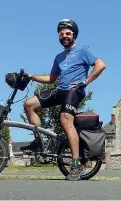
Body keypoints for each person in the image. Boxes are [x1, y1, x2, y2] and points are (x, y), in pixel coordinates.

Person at [20, 19, 106, 181]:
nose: (64, 36)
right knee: (29, 104)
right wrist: (31, 76)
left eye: (68, 33)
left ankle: (76, 164)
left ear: (74, 35)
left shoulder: (83, 50)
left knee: (65, 120)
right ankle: (38, 140)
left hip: (74, 91)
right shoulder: (59, 57)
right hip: (60, 90)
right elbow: (51, 78)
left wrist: (85, 81)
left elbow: (100, 65)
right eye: (61, 34)